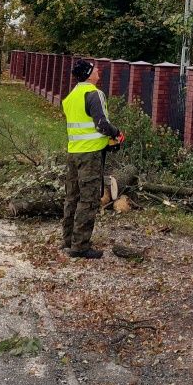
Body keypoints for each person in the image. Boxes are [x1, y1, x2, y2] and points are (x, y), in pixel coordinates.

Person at [61, 58, 124, 259]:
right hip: (90, 155)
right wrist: (117, 133)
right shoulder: (94, 94)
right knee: (88, 200)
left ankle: (68, 240)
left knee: (72, 197)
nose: (98, 71)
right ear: (89, 74)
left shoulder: (71, 96)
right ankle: (80, 247)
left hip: (74, 153)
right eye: (95, 69)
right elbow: (101, 124)